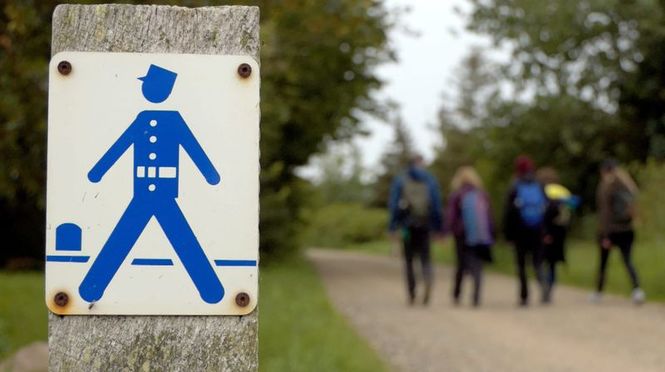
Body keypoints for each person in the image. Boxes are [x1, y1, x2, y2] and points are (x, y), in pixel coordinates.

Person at [388, 155, 443, 305]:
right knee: (426, 257)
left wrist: (392, 226)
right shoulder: (430, 180)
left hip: (407, 226)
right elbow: (437, 206)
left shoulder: (401, 180)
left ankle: (412, 293)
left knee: (409, 260)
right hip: (425, 225)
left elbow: (394, 205)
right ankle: (427, 277)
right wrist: (439, 228)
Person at [591, 159, 645, 304]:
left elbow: (605, 214)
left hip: (611, 231)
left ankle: (598, 292)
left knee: (603, 262)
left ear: (604, 171)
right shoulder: (628, 184)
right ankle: (637, 290)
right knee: (628, 260)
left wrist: (606, 235)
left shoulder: (606, 186)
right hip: (627, 229)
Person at [445, 166, 494, 307]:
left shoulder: (457, 195)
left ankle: (457, 294)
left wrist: (448, 231)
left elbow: (451, 217)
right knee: (478, 265)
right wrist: (491, 234)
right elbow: (489, 217)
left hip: (461, 234)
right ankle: (476, 296)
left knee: (461, 264)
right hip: (480, 234)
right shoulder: (482, 194)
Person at [503, 155, 547, 306]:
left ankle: (524, 295)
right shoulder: (538, 185)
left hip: (519, 232)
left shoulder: (515, 186)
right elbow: (546, 209)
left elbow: (508, 213)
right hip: (537, 230)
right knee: (538, 262)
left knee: (521, 265)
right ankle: (543, 285)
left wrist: (508, 236)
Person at [537, 167, 580, 303]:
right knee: (552, 264)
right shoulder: (563, 193)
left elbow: (543, 215)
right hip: (560, 234)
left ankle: (544, 285)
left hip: (546, 233)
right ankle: (550, 288)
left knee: (539, 262)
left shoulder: (543, 193)